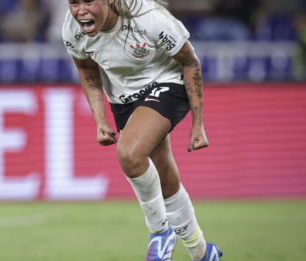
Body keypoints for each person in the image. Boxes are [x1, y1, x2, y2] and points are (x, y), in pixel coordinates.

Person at [62, 0, 222, 260]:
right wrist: (100, 120)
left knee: (129, 154)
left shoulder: (148, 17)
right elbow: (86, 67)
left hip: (167, 81)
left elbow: (190, 62)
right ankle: (203, 253)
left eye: (88, 1)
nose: (80, 10)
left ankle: (160, 233)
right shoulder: (72, 29)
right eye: (73, 3)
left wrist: (198, 124)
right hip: (123, 97)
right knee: (166, 179)